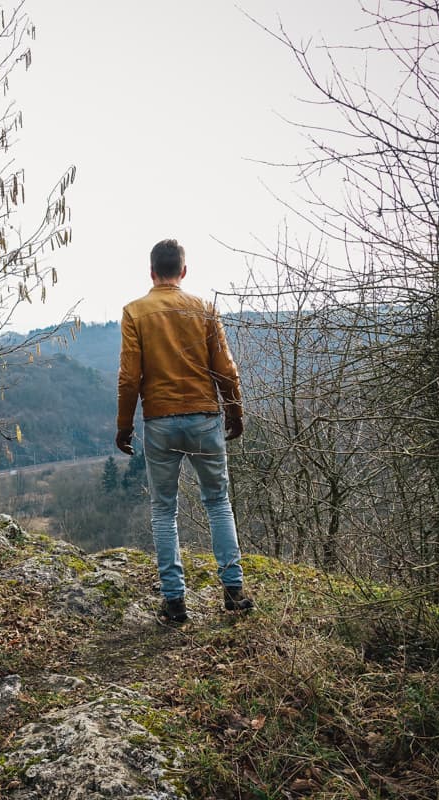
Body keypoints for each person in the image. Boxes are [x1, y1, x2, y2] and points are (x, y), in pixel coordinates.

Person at [116, 238, 253, 624]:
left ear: (151, 272)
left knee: (164, 510)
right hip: (205, 417)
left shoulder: (135, 312)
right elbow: (225, 369)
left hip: (159, 421)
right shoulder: (204, 309)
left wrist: (124, 425)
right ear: (184, 271)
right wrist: (235, 411)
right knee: (217, 502)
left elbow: (130, 378)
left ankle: (175, 602)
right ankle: (234, 590)